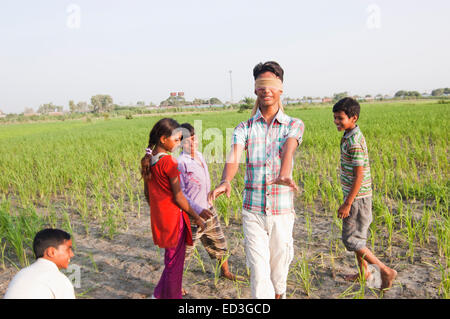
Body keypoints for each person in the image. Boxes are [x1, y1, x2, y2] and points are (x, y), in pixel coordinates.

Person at [208, 61, 304, 299]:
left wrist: (285, 171)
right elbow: (235, 154)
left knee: (279, 272)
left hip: (282, 211)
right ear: (255, 89)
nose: (266, 90)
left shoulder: (294, 124)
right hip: (253, 211)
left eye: (271, 84)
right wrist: (226, 180)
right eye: (261, 85)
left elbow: (290, 147)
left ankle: (279, 295)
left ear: (280, 88)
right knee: (259, 274)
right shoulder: (245, 127)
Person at [141, 118, 212, 299]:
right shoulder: (169, 163)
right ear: (164, 139)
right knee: (175, 265)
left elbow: (148, 194)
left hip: (160, 218)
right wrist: (196, 217)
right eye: (176, 139)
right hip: (173, 220)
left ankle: (158, 294)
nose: (179, 143)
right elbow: (179, 197)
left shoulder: (151, 160)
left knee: (170, 260)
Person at [333, 97, 397, 290]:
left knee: (351, 240)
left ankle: (385, 270)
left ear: (354, 118)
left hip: (358, 198)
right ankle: (364, 272)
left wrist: (348, 203)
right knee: (357, 237)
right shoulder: (350, 134)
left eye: (340, 118)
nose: (336, 122)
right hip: (356, 197)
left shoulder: (354, 141)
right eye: (334, 118)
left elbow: (359, 174)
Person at [177, 122, 238, 295]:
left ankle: (225, 272)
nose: (193, 143)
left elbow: (203, 180)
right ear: (181, 143)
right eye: (188, 141)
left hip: (209, 210)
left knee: (219, 243)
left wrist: (211, 194)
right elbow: (181, 193)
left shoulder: (200, 155)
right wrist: (196, 210)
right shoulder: (180, 163)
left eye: (195, 139)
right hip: (192, 215)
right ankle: (175, 284)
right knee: (185, 252)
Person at [4, 228, 76, 299]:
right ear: (51, 252)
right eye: (68, 249)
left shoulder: (21, 274)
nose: (72, 254)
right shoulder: (59, 279)